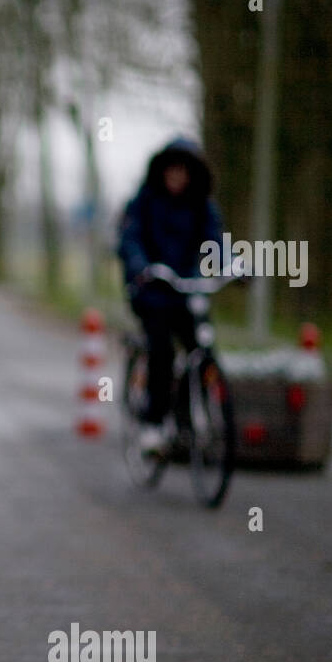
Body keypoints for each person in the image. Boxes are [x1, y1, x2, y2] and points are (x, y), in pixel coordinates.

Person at [116, 138, 224, 452]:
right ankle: (153, 422)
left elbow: (215, 242)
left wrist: (232, 265)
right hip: (150, 291)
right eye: (172, 171)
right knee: (161, 351)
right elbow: (129, 238)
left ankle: (193, 414)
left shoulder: (202, 207)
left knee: (204, 351)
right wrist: (141, 267)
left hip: (186, 290)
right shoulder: (144, 202)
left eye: (183, 172)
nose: (177, 178)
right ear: (162, 172)